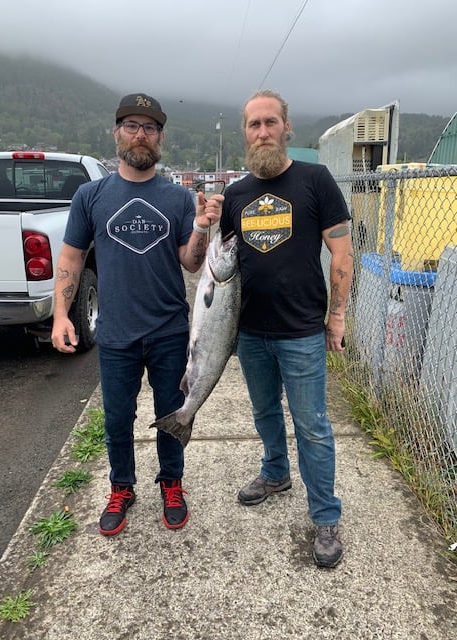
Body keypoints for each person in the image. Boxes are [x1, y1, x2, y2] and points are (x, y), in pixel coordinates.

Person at [51, 93, 223, 535]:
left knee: (174, 410)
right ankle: (121, 486)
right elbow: (70, 259)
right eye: (132, 126)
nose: (141, 135)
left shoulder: (178, 198)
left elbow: (190, 262)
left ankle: (172, 482)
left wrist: (202, 227)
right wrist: (60, 314)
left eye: (150, 128)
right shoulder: (91, 196)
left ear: (160, 138)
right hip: (116, 333)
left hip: (169, 329)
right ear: (116, 133)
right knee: (116, 418)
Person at [220, 89, 353, 568]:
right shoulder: (235, 195)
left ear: (286, 127)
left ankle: (325, 517)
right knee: (263, 413)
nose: (262, 132)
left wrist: (336, 317)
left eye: (270, 122)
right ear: (245, 133)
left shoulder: (315, 180)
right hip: (250, 333)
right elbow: (223, 266)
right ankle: (275, 473)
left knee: (313, 427)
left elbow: (341, 252)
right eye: (253, 124)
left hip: (301, 332)